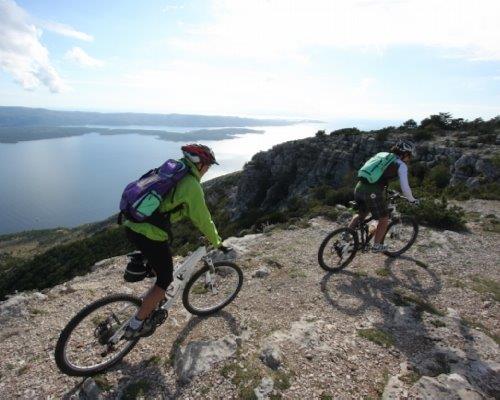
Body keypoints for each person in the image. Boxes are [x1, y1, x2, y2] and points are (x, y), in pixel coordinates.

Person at [122, 144, 230, 339]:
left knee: (160, 264)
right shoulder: (191, 185)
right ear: (199, 164)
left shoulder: (171, 169)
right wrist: (217, 241)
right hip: (150, 232)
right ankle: (136, 325)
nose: (208, 170)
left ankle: (151, 297)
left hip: (132, 223)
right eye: (207, 166)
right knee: (165, 280)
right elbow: (202, 218)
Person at [348, 139, 419, 253]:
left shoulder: (382, 155)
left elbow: (376, 173)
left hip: (359, 187)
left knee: (361, 214)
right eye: (410, 156)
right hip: (372, 192)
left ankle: (345, 235)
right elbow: (405, 189)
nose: (409, 159)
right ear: (405, 154)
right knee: (384, 218)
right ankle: (376, 246)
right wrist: (412, 199)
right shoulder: (401, 165)